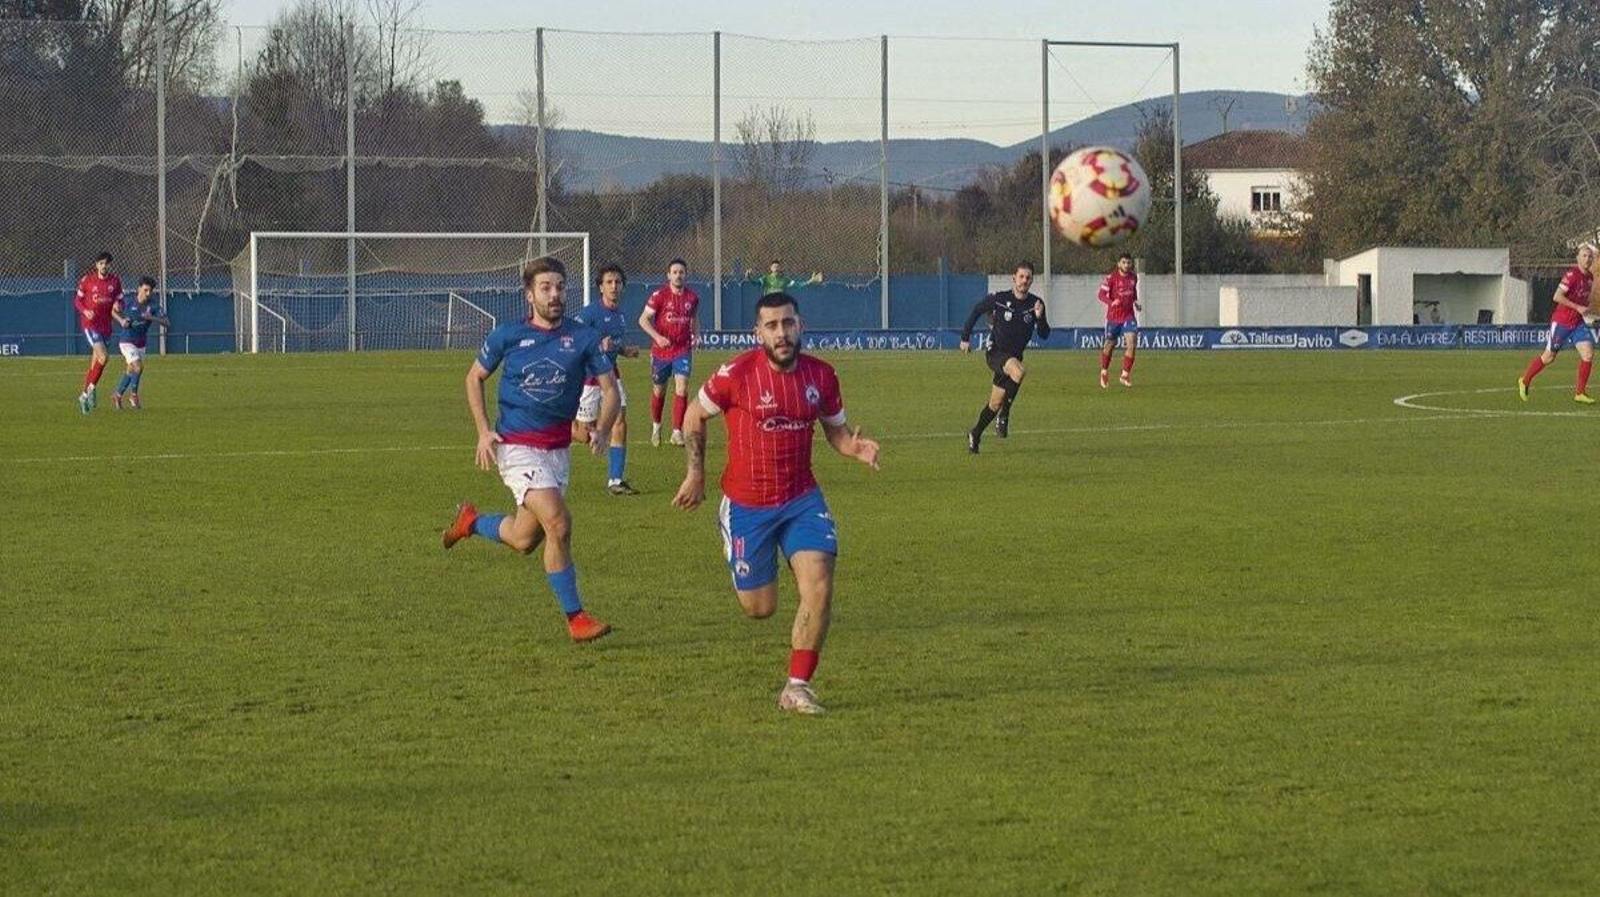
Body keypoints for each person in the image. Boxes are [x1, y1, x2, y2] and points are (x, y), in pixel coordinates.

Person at [672, 292, 881, 715]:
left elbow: (836, 433)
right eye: (771, 326)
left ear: (800, 325)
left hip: (802, 499)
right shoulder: (737, 374)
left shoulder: (821, 376)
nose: (781, 334)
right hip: (747, 504)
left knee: (819, 584)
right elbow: (694, 414)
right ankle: (739, 546)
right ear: (758, 333)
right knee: (759, 608)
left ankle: (797, 686)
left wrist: (854, 449)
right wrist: (696, 472)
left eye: (788, 324)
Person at [441, 256, 622, 643]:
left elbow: (609, 390)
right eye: (545, 287)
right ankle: (577, 620)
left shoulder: (583, 338)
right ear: (529, 295)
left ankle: (470, 522)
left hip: (557, 452)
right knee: (559, 524)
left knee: (525, 539)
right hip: (517, 448)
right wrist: (482, 430)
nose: (554, 294)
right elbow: (474, 378)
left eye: (559, 287)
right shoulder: (507, 335)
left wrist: (603, 429)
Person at [960, 261, 1049, 453]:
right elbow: (977, 311)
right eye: (1021, 276)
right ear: (1014, 278)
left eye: (1028, 278)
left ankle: (975, 434)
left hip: (1013, 358)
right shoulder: (999, 299)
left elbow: (1044, 334)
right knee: (1019, 372)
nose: (1024, 280)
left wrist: (1040, 317)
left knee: (995, 403)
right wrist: (965, 337)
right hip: (996, 352)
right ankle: (1004, 417)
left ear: (1032, 280)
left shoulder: (1036, 304)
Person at [572, 263, 640, 495]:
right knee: (584, 434)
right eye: (609, 282)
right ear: (600, 287)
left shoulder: (620, 315)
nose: (614, 286)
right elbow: (572, 338)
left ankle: (615, 481)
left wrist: (624, 351)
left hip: (611, 373)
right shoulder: (590, 313)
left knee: (620, 422)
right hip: (590, 377)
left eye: (618, 282)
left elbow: (613, 344)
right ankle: (561, 425)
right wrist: (596, 345)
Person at [1519, 243, 1597, 404]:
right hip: (1561, 321)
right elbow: (1557, 296)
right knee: (1548, 357)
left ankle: (1580, 393)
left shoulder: (1590, 277)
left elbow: (1584, 299)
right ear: (1578, 258)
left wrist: (1588, 309)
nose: (1588, 259)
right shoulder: (1571, 275)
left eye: (1590, 256)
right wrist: (1577, 307)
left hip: (1577, 323)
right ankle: (1525, 380)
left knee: (1588, 354)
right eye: (1584, 255)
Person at [638, 258, 700, 447]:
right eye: (674, 272)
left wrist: (696, 335)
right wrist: (657, 337)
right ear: (668, 275)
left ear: (685, 275)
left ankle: (676, 432)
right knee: (659, 390)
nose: (678, 275)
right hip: (661, 352)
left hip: (682, 349)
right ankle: (657, 426)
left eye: (681, 272)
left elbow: (694, 318)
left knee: (682, 388)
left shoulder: (692, 297)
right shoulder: (659, 296)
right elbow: (642, 320)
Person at [73, 252, 122, 414]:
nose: (104, 266)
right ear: (96, 265)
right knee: (104, 357)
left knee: (95, 364)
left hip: (106, 326)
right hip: (90, 325)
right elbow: (77, 300)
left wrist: (118, 305)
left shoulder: (115, 281)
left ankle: (87, 393)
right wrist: (86, 311)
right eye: (101, 263)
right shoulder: (87, 280)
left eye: (106, 263)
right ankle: (88, 392)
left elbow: (120, 299)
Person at [109, 276, 169, 410]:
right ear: (139, 289)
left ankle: (117, 395)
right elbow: (112, 310)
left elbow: (167, 323)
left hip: (141, 343)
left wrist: (152, 317)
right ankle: (133, 395)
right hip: (126, 341)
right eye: (145, 290)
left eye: (150, 291)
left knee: (131, 370)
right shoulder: (128, 302)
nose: (148, 294)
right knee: (138, 367)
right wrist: (121, 321)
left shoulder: (153, 305)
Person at [1098, 252, 1141, 389]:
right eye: (1124, 262)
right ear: (1118, 264)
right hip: (1114, 317)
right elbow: (1101, 295)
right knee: (1110, 345)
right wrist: (1111, 302)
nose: (1127, 265)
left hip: (1128, 316)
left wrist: (1135, 301)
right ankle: (1104, 371)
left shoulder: (1134, 277)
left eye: (1129, 263)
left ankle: (1125, 374)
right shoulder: (1111, 278)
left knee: (1132, 342)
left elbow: (1133, 292)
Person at [745, 259, 823, 296]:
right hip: (768, 304)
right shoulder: (766, 278)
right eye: (774, 266)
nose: (776, 267)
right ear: (771, 268)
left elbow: (798, 284)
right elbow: (755, 282)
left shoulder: (785, 280)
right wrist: (749, 277)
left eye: (777, 266)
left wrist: (810, 281)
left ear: (780, 268)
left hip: (780, 305)